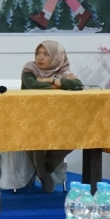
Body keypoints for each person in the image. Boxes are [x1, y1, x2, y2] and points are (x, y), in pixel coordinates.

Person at [22, 41, 83, 192]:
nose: (40, 57)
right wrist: (61, 85)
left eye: (46, 54)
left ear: (56, 57)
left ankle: (45, 168)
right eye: (38, 53)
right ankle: (44, 175)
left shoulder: (62, 71)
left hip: (58, 118)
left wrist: (50, 80)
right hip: (32, 116)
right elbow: (31, 85)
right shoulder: (30, 68)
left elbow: (77, 85)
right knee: (35, 136)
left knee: (75, 135)